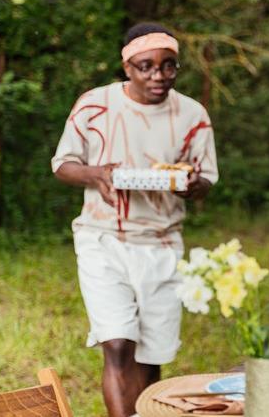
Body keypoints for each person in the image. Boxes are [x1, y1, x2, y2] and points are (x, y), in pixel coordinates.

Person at [51, 22, 218, 416]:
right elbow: (63, 165)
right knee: (117, 343)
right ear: (127, 67)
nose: (158, 76)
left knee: (151, 353)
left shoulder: (192, 113)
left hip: (162, 242)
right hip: (102, 237)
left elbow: (206, 177)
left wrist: (190, 185)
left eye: (168, 66)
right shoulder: (95, 105)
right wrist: (98, 174)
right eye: (146, 67)